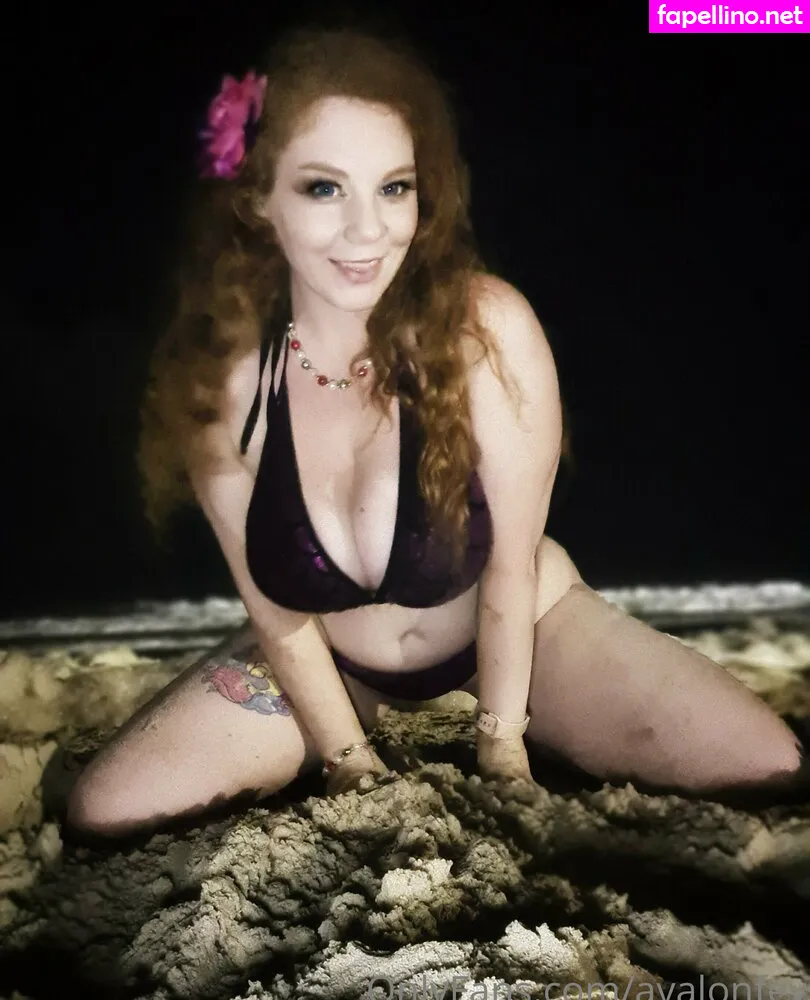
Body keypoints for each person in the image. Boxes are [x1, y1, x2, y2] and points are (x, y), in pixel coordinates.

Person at [66, 26, 806, 839]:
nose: (368, 230)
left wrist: (502, 746)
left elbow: (512, 568)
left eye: (393, 188)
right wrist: (348, 760)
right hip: (339, 671)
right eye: (324, 188)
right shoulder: (228, 389)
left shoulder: (484, 331)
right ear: (258, 199)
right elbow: (277, 613)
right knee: (107, 809)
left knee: (762, 762)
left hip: (520, 637)